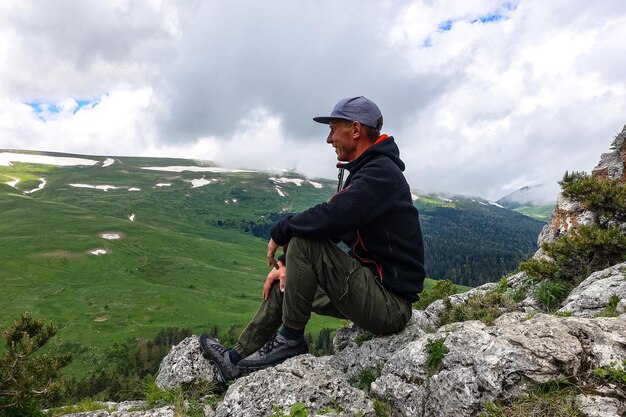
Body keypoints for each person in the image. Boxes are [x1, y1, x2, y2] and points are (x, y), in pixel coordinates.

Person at [200, 96, 425, 382]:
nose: (329, 139)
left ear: (355, 130)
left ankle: (291, 340)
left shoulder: (380, 174)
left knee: (304, 240)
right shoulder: (368, 172)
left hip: (389, 305)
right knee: (287, 278)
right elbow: (333, 228)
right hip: (371, 292)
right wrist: (286, 264)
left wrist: (281, 229)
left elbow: (330, 218)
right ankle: (234, 360)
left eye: (333, 130)